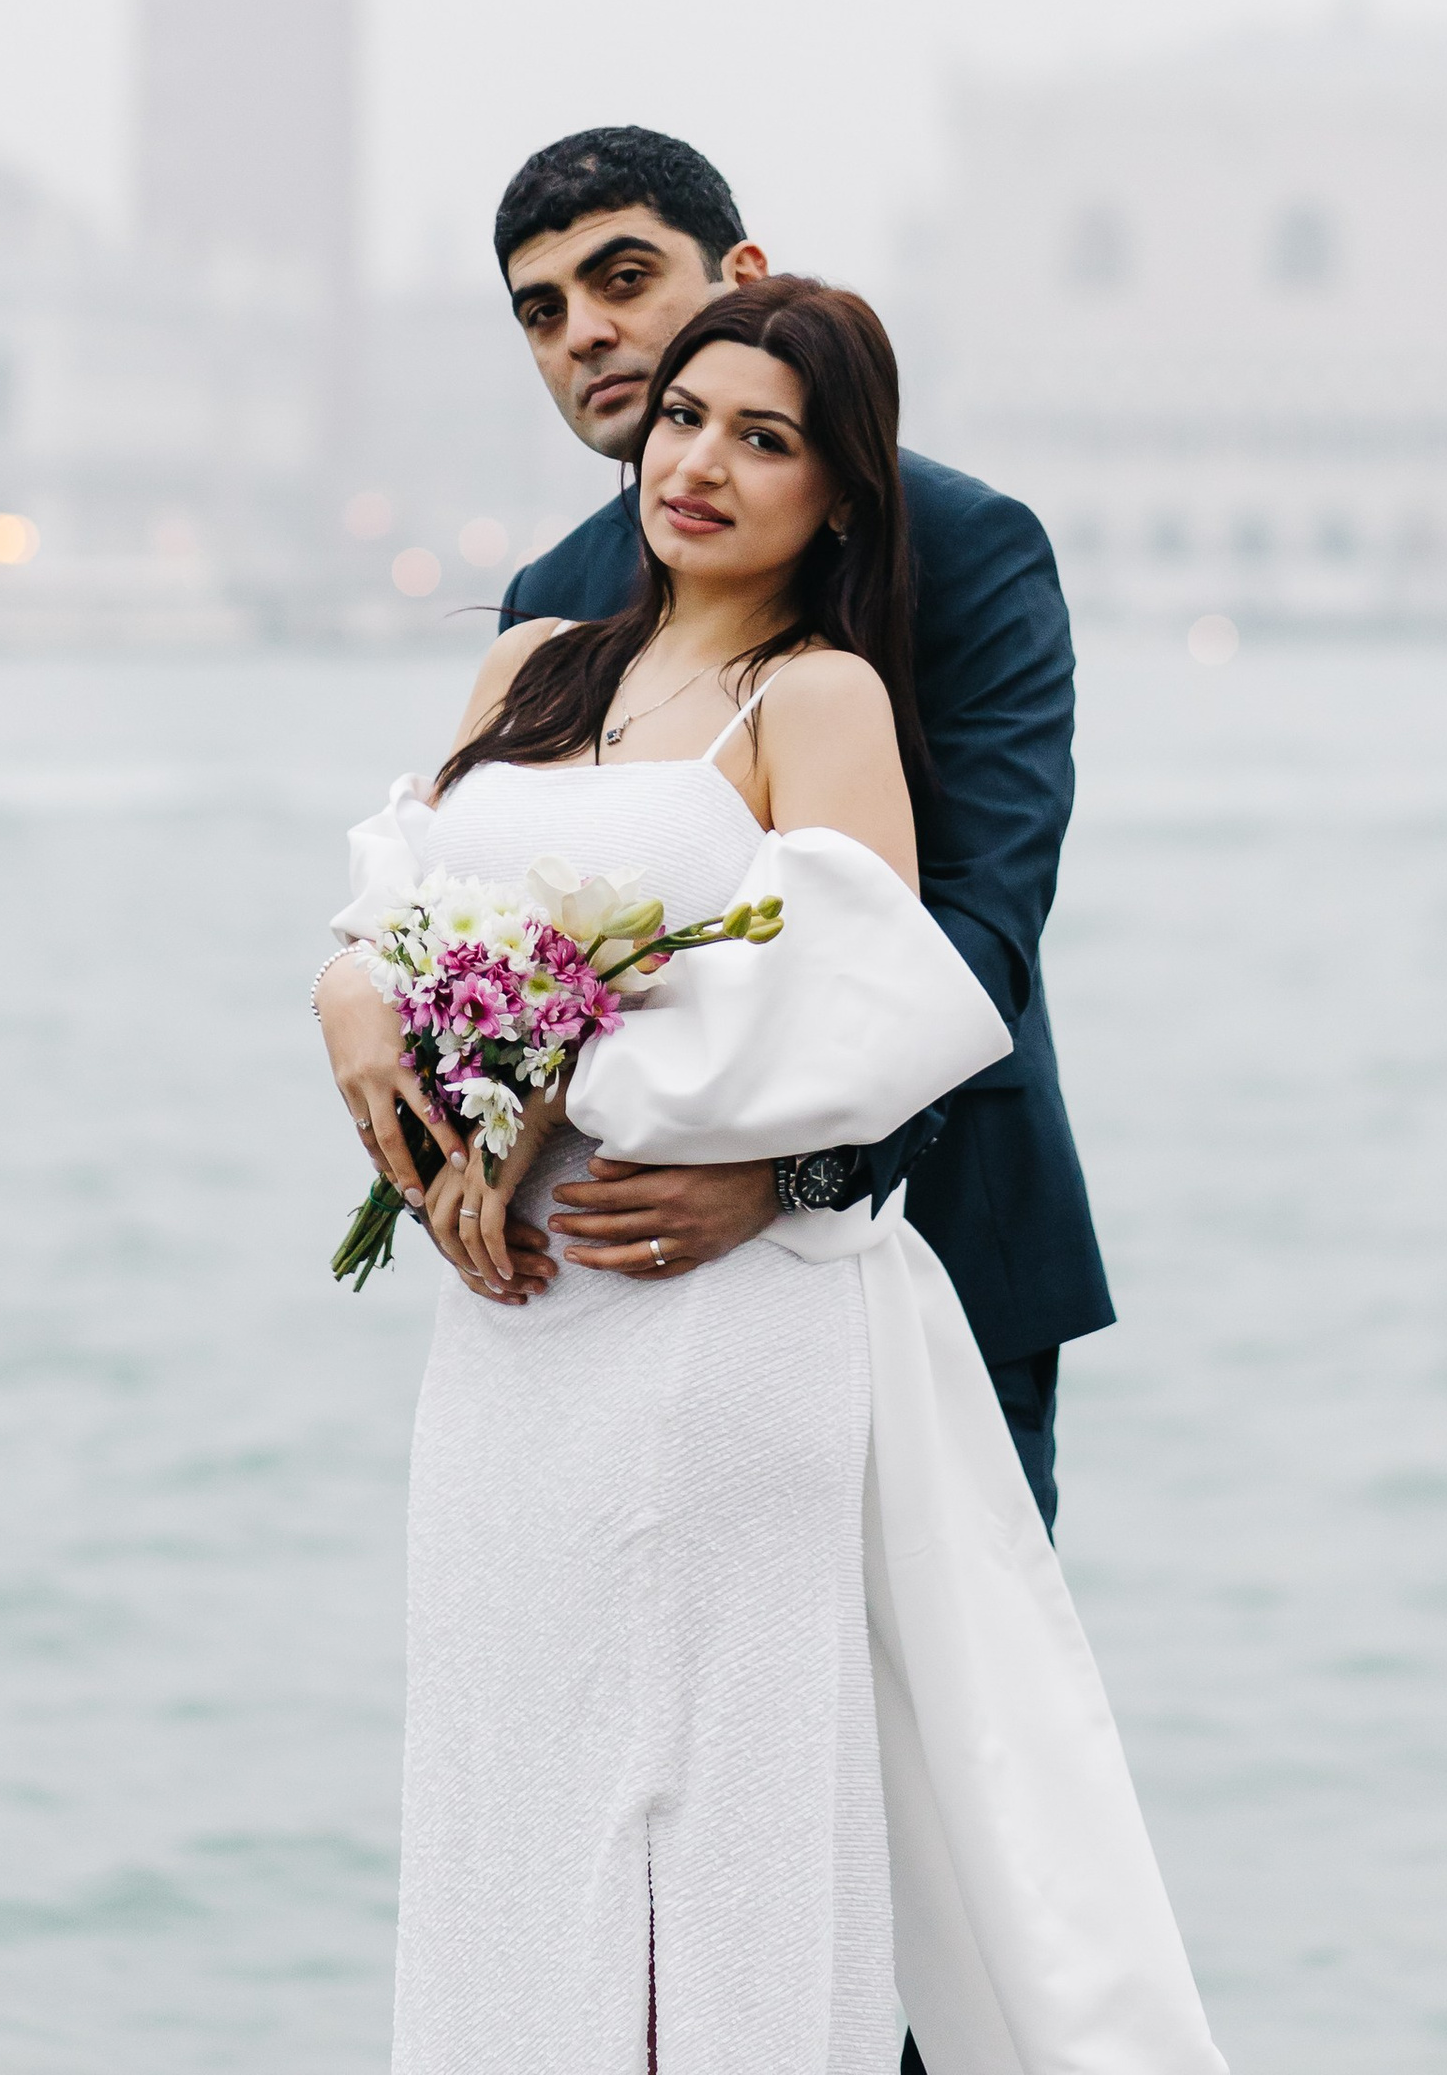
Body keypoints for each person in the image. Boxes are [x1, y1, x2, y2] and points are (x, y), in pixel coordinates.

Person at [313, 280, 1222, 2075]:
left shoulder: (817, 698)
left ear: (838, 496)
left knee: (711, 1811)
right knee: (511, 1777)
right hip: (511, 1348)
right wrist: (364, 995)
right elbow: (398, 903)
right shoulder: (529, 664)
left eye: (766, 440)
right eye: (683, 422)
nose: (700, 463)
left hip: (713, 1335)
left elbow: (869, 1004)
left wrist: (627, 1097)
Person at [487, 123, 1109, 1535]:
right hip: (599, 1277)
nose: (589, 333)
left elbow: (976, 929)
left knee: (943, 1739)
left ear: (742, 274)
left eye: (624, 276)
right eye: (544, 312)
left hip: (931, 1235)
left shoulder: (971, 549)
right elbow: (481, 910)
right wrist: (360, 1001)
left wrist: (787, 1180)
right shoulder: (550, 598)